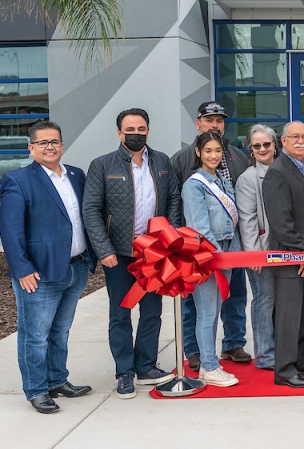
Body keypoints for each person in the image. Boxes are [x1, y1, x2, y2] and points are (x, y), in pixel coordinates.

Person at [0, 120, 98, 414]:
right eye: (42, 142)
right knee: (35, 334)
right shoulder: (18, 180)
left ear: (62, 145)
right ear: (31, 148)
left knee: (61, 331)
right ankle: (37, 390)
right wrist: (22, 269)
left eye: (54, 141)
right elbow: (10, 229)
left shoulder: (76, 175)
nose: (49, 147)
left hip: (75, 268)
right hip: (39, 273)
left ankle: (57, 380)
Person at [83, 108, 181, 399]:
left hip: (153, 252)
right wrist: (104, 250)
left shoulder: (162, 161)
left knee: (152, 312)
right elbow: (91, 210)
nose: (136, 133)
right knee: (121, 313)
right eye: (130, 129)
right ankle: (124, 372)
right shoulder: (102, 165)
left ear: (148, 130)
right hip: (119, 254)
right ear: (119, 133)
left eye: (141, 128)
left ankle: (146, 367)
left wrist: (170, 239)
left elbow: (173, 199)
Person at [171, 101, 251, 370]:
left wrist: (237, 252)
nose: (215, 124)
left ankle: (232, 343)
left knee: (233, 297)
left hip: (231, 247)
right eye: (209, 120)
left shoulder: (237, 157)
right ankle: (199, 355)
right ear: (198, 125)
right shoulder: (183, 161)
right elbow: (188, 213)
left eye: (219, 120)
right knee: (199, 307)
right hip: (203, 250)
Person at [262, 121, 304, 388]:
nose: (300, 141)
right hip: (291, 257)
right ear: (282, 142)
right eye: (294, 137)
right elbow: (280, 221)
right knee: (289, 314)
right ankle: (285, 370)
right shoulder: (277, 171)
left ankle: (301, 360)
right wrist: (301, 253)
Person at [180, 132, 241, 387]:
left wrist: (233, 256)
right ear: (198, 153)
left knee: (215, 310)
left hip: (226, 252)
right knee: (206, 313)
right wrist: (216, 257)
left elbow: (233, 223)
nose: (213, 155)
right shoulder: (194, 185)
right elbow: (199, 228)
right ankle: (208, 366)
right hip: (207, 255)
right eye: (208, 151)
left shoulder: (223, 182)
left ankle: (210, 362)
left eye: (217, 151)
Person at [235, 124, 280, 371]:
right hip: (261, 251)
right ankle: (265, 355)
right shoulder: (247, 179)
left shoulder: (286, 170)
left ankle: (280, 349)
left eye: (267, 144)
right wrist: (254, 253)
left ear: (275, 144)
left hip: (286, 250)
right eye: (257, 145)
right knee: (264, 299)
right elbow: (247, 218)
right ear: (250, 150)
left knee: (280, 301)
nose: (263, 149)